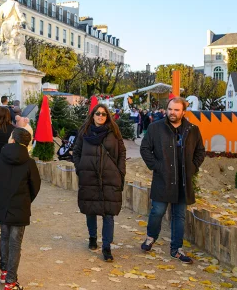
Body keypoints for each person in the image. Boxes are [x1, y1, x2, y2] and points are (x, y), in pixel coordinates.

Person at [140, 97, 205, 264]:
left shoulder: (192, 129)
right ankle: (151, 237)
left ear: (183, 112)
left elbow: (200, 151)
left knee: (179, 216)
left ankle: (176, 249)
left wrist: (192, 167)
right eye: (170, 109)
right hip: (163, 178)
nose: (172, 113)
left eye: (176, 110)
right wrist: (157, 166)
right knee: (157, 211)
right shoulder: (155, 128)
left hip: (183, 180)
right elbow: (145, 148)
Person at [0, 128, 41, 290]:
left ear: (12, 140)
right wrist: (26, 200)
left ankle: (5, 272)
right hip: (20, 206)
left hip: (3, 205)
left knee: (4, 237)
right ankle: (11, 281)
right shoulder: (29, 162)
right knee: (15, 242)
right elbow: (35, 186)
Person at [72, 104, 126, 262]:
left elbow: (122, 152)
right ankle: (92, 237)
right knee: (91, 209)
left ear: (107, 116)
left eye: (104, 114)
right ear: (93, 115)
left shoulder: (113, 132)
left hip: (110, 177)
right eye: (98, 114)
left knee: (109, 213)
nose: (101, 116)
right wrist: (80, 167)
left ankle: (107, 246)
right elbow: (76, 151)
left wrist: (120, 171)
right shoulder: (84, 131)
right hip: (89, 177)